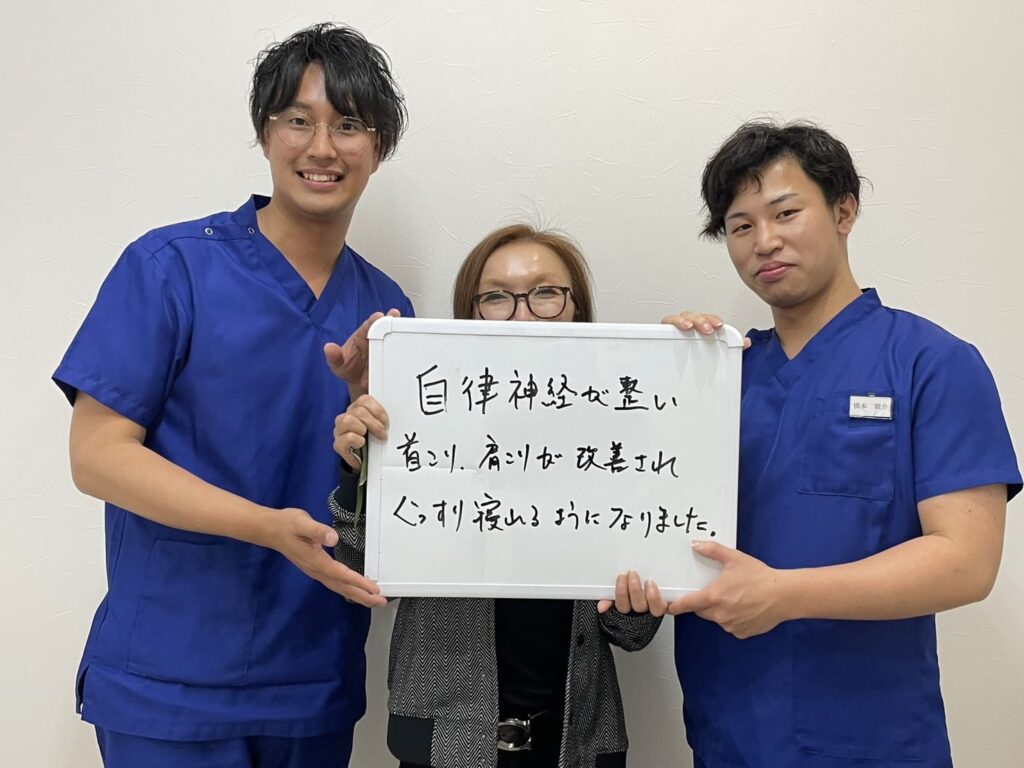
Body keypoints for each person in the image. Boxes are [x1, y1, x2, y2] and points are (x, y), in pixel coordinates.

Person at [52, 23, 411, 768]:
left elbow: (395, 498)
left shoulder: (388, 312)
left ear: (378, 148)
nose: (322, 147)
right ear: (265, 132)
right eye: (298, 120)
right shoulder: (170, 268)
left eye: (349, 125)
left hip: (312, 683)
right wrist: (266, 527)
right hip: (170, 682)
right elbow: (96, 456)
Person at [658, 121, 1021, 766]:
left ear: (844, 211)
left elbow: (967, 562)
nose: (764, 241)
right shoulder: (718, 378)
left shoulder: (931, 363)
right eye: (740, 226)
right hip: (728, 733)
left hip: (874, 739)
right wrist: (660, 370)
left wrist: (783, 596)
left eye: (786, 213)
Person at [330, 224, 664, 768]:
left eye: (546, 294)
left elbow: (633, 632)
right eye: (496, 298)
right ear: (470, 315)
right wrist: (359, 468)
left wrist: (693, 362)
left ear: (577, 309)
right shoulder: (423, 420)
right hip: (444, 741)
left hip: (577, 741)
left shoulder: (617, 432)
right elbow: (356, 573)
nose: (523, 316)